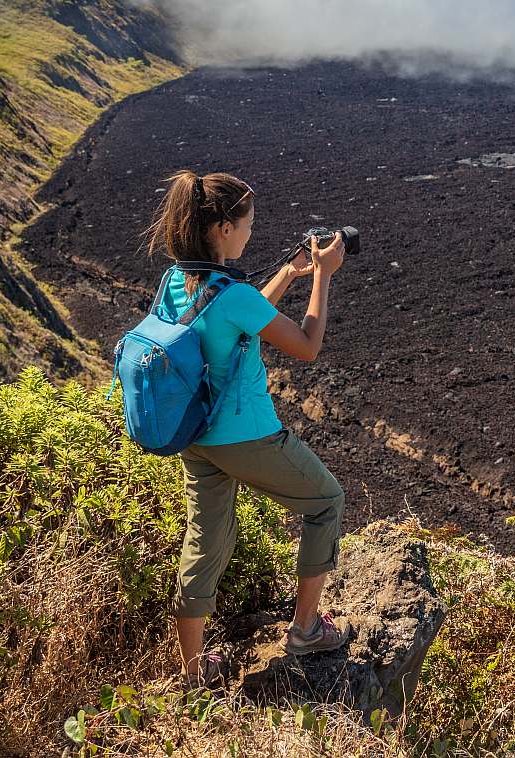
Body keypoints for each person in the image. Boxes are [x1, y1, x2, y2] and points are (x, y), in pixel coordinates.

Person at [143, 169, 351, 689]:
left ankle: (192, 673)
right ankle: (305, 628)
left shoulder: (175, 280)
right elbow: (305, 345)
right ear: (222, 228)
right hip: (245, 436)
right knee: (326, 502)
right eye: (248, 223)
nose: (252, 232)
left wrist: (287, 274)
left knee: (204, 539)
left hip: (193, 435)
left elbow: (229, 315)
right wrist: (324, 276)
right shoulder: (231, 294)